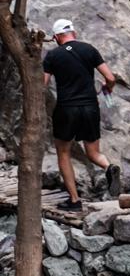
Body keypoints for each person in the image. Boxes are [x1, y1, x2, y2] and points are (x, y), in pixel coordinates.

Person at [42, 19, 121, 211]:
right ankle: (109, 167)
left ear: (57, 37)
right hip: (89, 107)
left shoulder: (53, 55)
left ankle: (75, 200)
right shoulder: (89, 50)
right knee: (93, 153)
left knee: (63, 152)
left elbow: (42, 85)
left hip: (66, 108)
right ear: (73, 33)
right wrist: (107, 87)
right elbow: (110, 78)